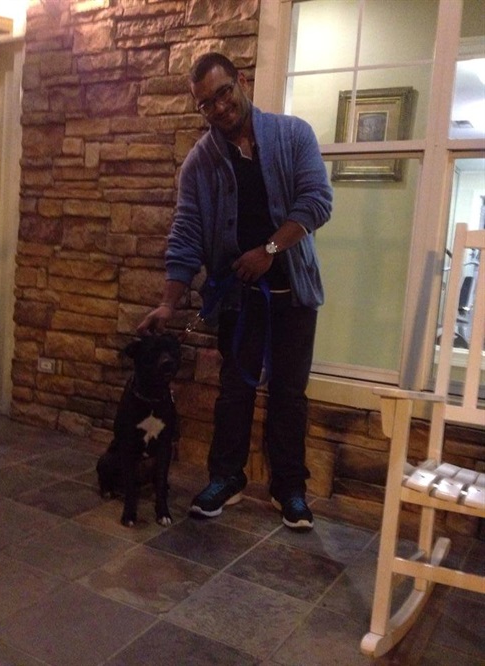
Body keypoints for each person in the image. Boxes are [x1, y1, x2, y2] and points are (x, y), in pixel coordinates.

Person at [137, 53, 333, 530]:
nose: (219, 108)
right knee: (234, 391)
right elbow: (186, 234)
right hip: (239, 299)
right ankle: (227, 478)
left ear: (241, 81)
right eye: (207, 103)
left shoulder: (293, 135)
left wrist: (269, 250)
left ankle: (289, 489)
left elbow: (316, 202)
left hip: (294, 294)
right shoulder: (198, 164)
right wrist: (167, 301)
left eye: (224, 93)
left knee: (289, 394)